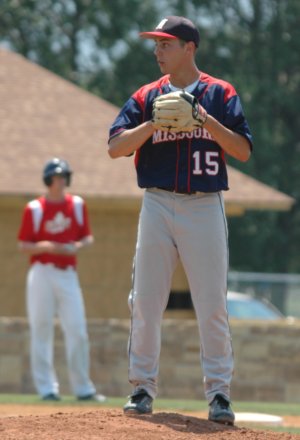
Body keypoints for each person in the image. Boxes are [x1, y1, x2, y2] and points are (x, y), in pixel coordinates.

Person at [108, 16, 252, 425]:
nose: (157, 51)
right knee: (145, 301)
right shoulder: (147, 95)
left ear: (190, 47)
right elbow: (115, 147)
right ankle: (141, 388)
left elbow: (242, 149)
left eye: (165, 44)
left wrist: (203, 118)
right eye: (156, 44)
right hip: (156, 202)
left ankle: (220, 394)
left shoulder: (220, 93)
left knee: (211, 304)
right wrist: (154, 122)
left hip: (204, 205)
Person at [18, 157, 106, 402]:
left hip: (67, 272)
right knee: (41, 328)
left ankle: (83, 388)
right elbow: (24, 245)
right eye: (56, 177)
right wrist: (46, 246)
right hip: (41, 272)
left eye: (63, 176)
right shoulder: (34, 209)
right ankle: (47, 388)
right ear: (48, 180)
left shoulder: (76, 205)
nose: (61, 181)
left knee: (77, 329)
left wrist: (75, 246)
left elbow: (87, 238)